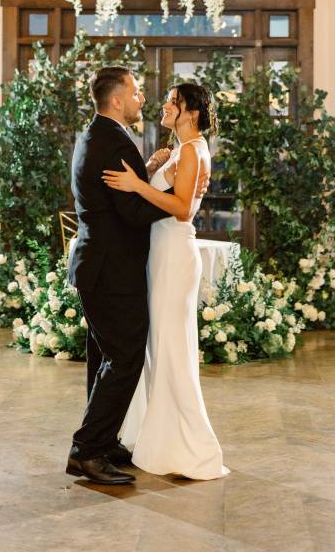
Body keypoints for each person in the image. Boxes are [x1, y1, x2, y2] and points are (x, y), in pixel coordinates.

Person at [104, 82, 229, 481]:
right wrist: (153, 168)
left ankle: (190, 445)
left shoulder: (194, 150)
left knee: (172, 350)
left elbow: (180, 210)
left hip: (174, 255)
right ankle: (156, 437)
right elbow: (166, 194)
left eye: (173, 101)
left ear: (191, 111)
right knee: (158, 348)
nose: (165, 105)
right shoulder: (178, 150)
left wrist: (138, 184)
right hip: (159, 255)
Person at [66, 66, 181, 485]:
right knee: (125, 357)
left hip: (98, 265)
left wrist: (147, 170)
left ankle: (104, 439)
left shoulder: (98, 135)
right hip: (111, 270)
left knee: (104, 358)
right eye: (134, 92)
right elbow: (131, 213)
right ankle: (87, 450)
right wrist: (176, 196)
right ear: (116, 99)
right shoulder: (112, 142)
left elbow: (122, 194)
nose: (140, 99)